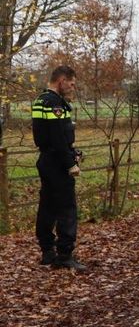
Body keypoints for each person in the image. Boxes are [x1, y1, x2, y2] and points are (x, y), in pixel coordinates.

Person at [32, 66, 87, 271]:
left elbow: (49, 137)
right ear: (61, 80)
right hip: (56, 162)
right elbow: (57, 138)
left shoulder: (40, 101)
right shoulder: (54, 104)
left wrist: (73, 151)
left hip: (47, 159)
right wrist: (70, 164)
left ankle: (47, 251)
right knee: (66, 207)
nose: (72, 87)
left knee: (47, 205)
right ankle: (64, 254)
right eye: (71, 83)